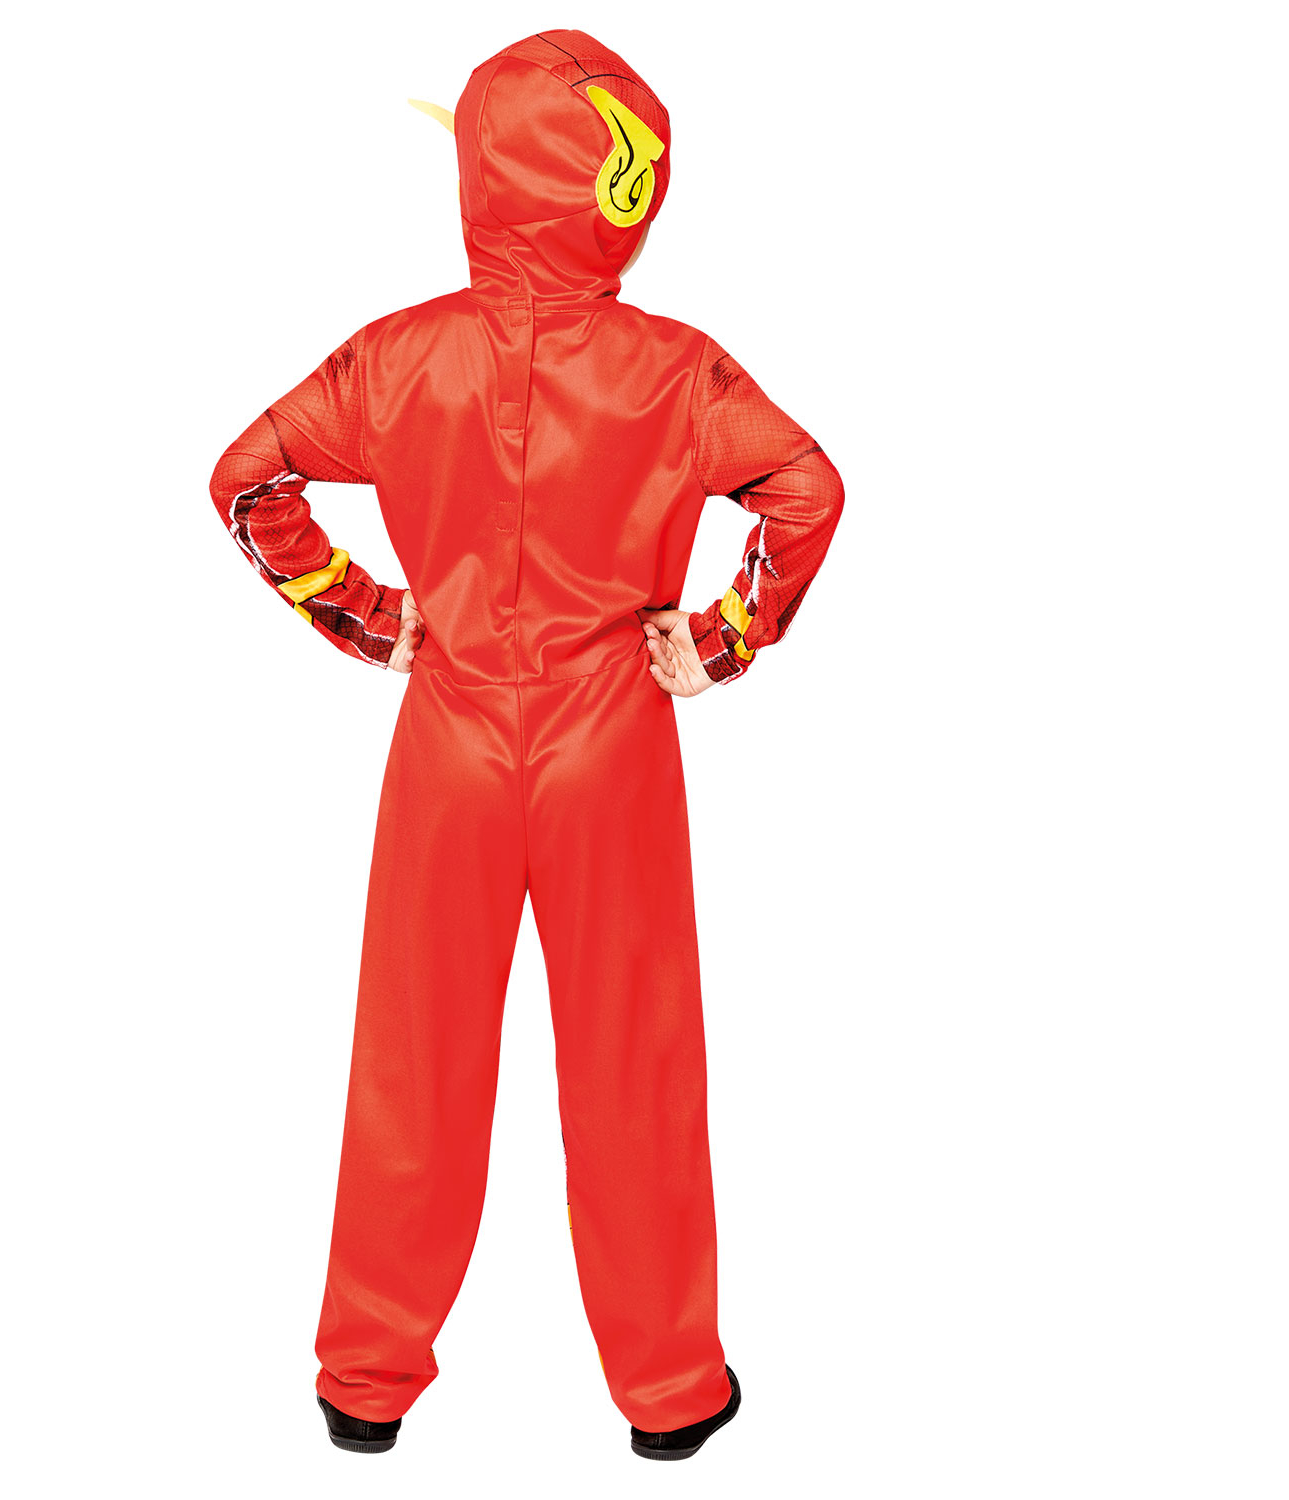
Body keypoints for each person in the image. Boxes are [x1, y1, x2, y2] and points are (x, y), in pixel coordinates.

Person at [207, 29, 844, 1461]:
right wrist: (725, 636)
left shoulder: (398, 356)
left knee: (413, 1054)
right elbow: (809, 490)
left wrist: (369, 613)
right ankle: (671, 1391)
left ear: (480, 182)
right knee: (633, 1055)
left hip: (448, 736)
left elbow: (247, 478)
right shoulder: (678, 372)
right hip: (611, 739)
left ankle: (364, 1380)